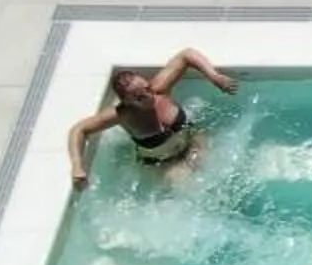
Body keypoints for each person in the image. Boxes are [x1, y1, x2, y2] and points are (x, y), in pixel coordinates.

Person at [67, 48, 236, 188]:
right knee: (190, 190)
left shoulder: (159, 89)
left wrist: (214, 77)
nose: (149, 97)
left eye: (147, 88)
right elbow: (79, 130)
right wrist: (77, 166)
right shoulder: (122, 114)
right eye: (139, 97)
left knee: (225, 175)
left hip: (193, 142)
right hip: (164, 164)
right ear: (126, 101)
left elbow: (186, 55)